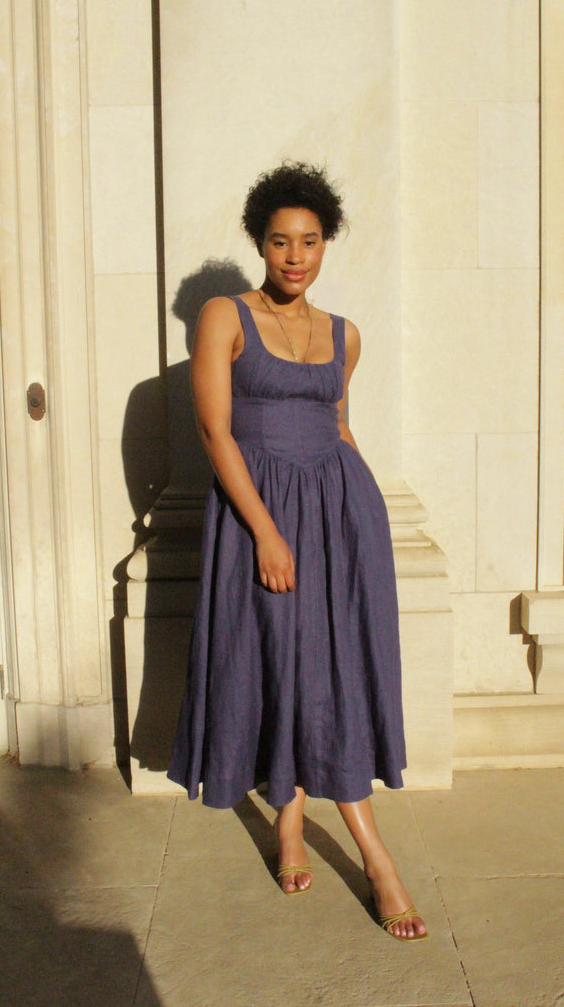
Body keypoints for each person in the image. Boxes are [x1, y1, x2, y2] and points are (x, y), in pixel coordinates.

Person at [167, 162, 427, 942]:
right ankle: (373, 858)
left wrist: (363, 523)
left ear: (325, 244)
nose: (294, 256)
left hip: (339, 516)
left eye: (309, 241)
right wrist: (265, 531)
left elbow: (339, 428)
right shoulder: (223, 316)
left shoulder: (344, 334)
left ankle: (297, 827)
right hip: (262, 515)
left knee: (333, 672)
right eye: (280, 241)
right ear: (260, 242)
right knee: (286, 666)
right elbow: (215, 431)